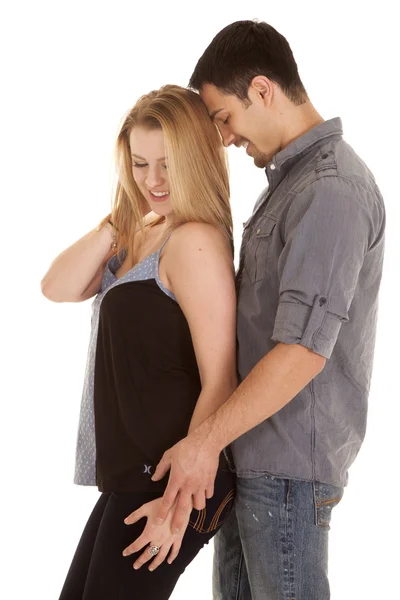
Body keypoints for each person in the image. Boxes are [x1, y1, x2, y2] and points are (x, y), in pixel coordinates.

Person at [149, 21, 386, 600]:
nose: (224, 140)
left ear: (262, 90)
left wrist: (204, 443)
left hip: (284, 476)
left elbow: (302, 352)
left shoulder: (331, 189)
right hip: (252, 463)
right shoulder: (289, 184)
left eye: (224, 118)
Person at [41, 84, 237, 600]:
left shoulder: (194, 240)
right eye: (139, 163)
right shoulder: (142, 232)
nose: (152, 181)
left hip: (173, 480)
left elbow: (222, 375)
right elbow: (55, 287)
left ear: (195, 157)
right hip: (133, 477)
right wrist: (119, 220)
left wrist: (179, 507)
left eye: (167, 164)